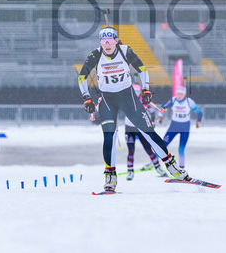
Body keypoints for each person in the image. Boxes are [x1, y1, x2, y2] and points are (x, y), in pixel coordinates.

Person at [77, 25, 186, 192]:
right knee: (109, 137)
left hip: (128, 98)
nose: (107, 44)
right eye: (103, 41)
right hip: (107, 100)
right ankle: (110, 178)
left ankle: (172, 167)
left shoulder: (125, 50)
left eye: (110, 40)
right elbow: (82, 76)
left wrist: (146, 89)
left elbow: (142, 69)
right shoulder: (95, 54)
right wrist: (86, 98)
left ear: (116, 41)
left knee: (148, 132)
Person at [125, 84, 166, 180]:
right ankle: (130, 171)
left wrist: (152, 122)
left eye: (137, 91)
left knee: (148, 149)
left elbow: (152, 112)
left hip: (141, 128)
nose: (135, 93)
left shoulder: (143, 101)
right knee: (131, 151)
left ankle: (158, 168)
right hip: (129, 129)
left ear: (140, 92)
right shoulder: (126, 100)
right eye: (133, 91)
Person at [160, 86, 203, 170]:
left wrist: (198, 122)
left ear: (184, 94)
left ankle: (181, 169)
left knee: (181, 149)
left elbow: (199, 113)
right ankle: (154, 164)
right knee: (162, 145)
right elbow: (163, 107)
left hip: (185, 128)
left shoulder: (189, 101)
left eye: (181, 94)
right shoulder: (173, 100)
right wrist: (160, 116)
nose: (179, 95)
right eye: (178, 93)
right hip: (174, 127)